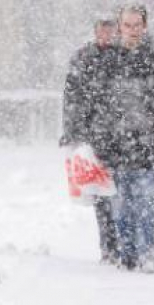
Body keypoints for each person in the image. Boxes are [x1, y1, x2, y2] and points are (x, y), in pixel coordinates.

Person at [96, 3, 154, 273]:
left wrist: (152, 118)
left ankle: (147, 252)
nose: (132, 30)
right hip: (116, 146)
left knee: (147, 203)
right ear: (119, 27)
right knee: (120, 206)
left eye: (137, 25)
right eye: (127, 25)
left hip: (148, 146)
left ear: (145, 25)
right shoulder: (107, 61)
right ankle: (127, 253)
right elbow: (96, 103)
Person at [60, 18, 120, 264]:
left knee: (121, 191)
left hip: (121, 134)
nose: (106, 34)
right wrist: (73, 132)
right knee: (101, 193)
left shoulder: (124, 56)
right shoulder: (83, 58)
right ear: (95, 31)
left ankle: (122, 241)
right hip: (95, 134)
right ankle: (108, 245)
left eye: (110, 29)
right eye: (102, 29)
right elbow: (72, 97)